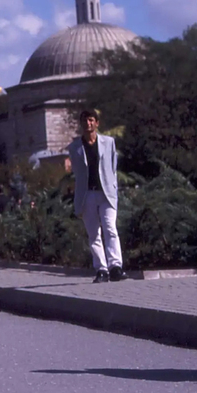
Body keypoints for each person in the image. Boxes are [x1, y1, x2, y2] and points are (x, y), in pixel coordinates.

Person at [68, 109, 128, 283]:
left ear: (97, 123)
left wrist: (114, 187)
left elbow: (112, 166)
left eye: (91, 120)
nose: (88, 124)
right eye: (85, 121)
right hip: (87, 195)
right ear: (81, 124)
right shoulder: (75, 147)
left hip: (106, 193)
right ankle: (101, 269)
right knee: (94, 233)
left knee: (110, 228)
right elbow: (77, 172)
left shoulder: (108, 142)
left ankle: (116, 267)